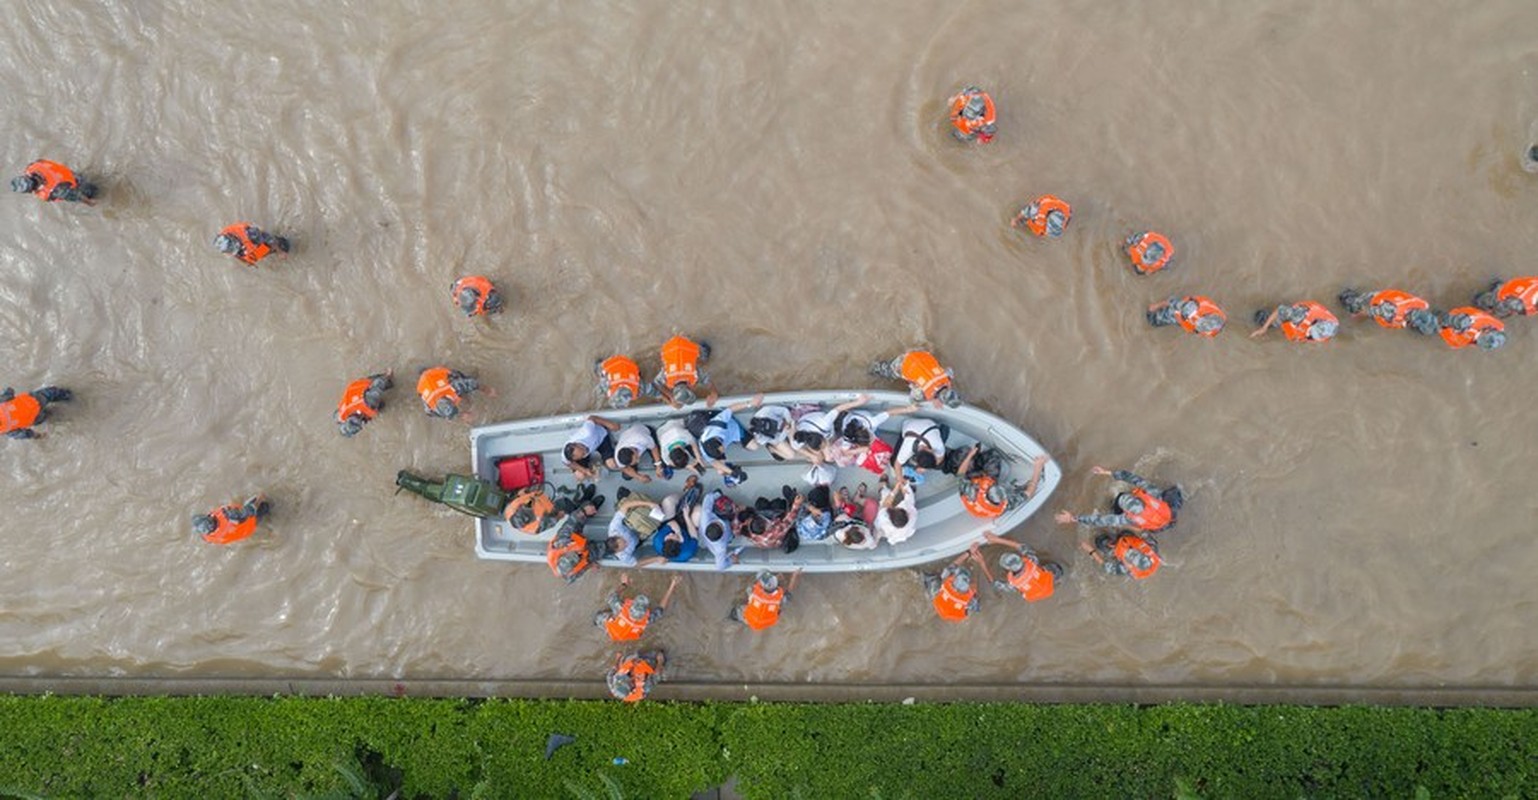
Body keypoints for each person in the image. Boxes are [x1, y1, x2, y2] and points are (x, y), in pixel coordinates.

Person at [1055, 466, 1183, 534]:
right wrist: (1106, 472)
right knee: (1173, 502)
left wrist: (1073, 518)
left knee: (1173, 498)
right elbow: (1132, 477)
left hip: (1160, 521)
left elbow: (1100, 520)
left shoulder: (1127, 518)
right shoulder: (1153, 494)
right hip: (1164, 515)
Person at [688, 394, 764, 485]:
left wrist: (750, 403)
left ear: (719, 441)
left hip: (733, 430)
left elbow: (731, 409)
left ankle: (747, 435)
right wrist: (732, 472)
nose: (724, 451)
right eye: (721, 451)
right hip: (725, 439)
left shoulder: (717, 425)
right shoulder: (704, 449)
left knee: (754, 446)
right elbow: (714, 462)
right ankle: (734, 470)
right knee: (720, 471)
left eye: (722, 450)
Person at [975, 532, 1061, 603]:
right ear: (1020, 559)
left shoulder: (1014, 585)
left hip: (1034, 593)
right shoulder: (1032, 561)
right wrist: (996, 539)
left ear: (1008, 570)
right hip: (1051, 577)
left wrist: (982, 562)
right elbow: (1022, 547)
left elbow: (995, 584)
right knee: (1047, 569)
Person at [594, 573, 682, 642]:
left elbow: (612, 596)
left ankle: (600, 623)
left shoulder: (619, 609)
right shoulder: (647, 620)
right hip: (625, 635)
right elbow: (661, 608)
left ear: (631, 606)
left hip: (614, 630)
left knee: (599, 617)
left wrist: (624, 584)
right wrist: (672, 586)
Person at [959, 452, 1049, 520]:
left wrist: (971, 454)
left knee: (992, 455)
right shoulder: (1001, 506)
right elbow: (1028, 494)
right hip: (979, 502)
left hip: (976, 498)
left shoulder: (968, 491)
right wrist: (1038, 468)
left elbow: (960, 474)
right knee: (991, 458)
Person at [870, 350, 961, 408]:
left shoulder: (947, 375)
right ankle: (874, 368)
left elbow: (948, 370)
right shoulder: (922, 392)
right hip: (905, 363)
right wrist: (930, 399)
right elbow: (913, 399)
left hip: (921, 354)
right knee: (887, 371)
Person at [504, 484, 603, 535]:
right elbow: (554, 519)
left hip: (542, 500)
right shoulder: (536, 527)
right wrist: (558, 516)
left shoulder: (511, 508)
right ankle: (587, 511)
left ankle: (584, 501)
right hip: (549, 512)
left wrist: (523, 492)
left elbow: (518, 496)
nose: (530, 506)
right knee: (566, 506)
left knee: (565, 501)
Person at [546, 500, 606, 583]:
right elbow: (583, 568)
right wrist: (590, 565)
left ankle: (589, 506)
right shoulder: (571, 575)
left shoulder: (562, 540)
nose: (577, 554)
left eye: (574, 554)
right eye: (577, 557)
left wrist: (584, 511)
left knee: (579, 517)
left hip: (573, 538)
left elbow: (572, 522)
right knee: (604, 549)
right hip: (585, 551)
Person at [653, 335, 718, 408]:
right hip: (670, 347)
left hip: (682, 346)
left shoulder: (693, 373)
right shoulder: (667, 376)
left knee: (704, 355)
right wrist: (671, 397)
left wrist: (714, 393)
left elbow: (707, 381)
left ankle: (703, 348)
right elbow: (656, 383)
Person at [1337, 288, 1438, 334]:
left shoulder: (1420, 304)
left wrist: (1356, 317)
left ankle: (1352, 302)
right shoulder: (1391, 310)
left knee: (1361, 308)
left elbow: (1371, 312)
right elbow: (1372, 311)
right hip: (1382, 300)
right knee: (1359, 305)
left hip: (1384, 303)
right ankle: (1352, 302)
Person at [731, 570, 802, 631]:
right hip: (765, 621)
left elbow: (750, 590)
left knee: (737, 610)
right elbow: (788, 594)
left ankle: (735, 616)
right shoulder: (778, 599)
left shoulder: (755, 593)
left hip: (753, 619)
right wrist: (795, 575)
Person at [688, 489, 740, 571]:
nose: (720, 523)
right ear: (722, 533)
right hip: (729, 534)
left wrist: (717, 494)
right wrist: (731, 561)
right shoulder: (721, 548)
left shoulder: (706, 515)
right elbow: (720, 567)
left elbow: (708, 497)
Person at [193, 494, 271, 545]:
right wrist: (260, 497)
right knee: (266, 504)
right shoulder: (229, 516)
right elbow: (250, 510)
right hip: (251, 519)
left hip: (242, 532)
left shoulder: (208, 537)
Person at [0, 385, 72, 440]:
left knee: (50, 413)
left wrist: (37, 436)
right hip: (35, 401)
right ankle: (69, 396)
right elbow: (9, 392)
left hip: (36, 418)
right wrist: (7, 390)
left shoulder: (6, 430)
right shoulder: (1, 403)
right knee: (51, 393)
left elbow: (24, 434)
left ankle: (59, 413)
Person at [1082, 531, 1161, 580]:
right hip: (1133, 543)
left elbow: (1104, 565)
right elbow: (1142, 531)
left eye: (1131, 558)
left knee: (1105, 546)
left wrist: (1090, 550)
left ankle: (1113, 548)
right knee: (1126, 534)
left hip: (1126, 560)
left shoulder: (1126, 569)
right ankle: (1121, 539)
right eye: (1135, 554)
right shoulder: (1151, 547)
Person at [923, 554, 979, 623]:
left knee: (931, 577)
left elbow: (953, 565)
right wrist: (975, 561)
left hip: (940, 604)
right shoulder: (970, 594)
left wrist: (968, 554)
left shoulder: (947, 581)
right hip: (953, 611)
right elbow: (975, 583)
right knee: (974, 604)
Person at [335, 371, 393, 437]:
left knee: (388, 384)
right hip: (355, 388)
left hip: (366, 386)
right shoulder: (341, 415)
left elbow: (379, 384)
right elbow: (337, 417)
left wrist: (388, 376)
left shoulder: (369, 402)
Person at [11, 159, 97, 204]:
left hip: (79, 186)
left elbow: (78, 196)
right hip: (71, 174)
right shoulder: (33, 166)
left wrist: (90, 203)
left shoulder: (54, 191)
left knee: (97, 193)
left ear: (30, 191)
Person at [563, 415, 619, 483]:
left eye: (583, 452)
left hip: (600, 439)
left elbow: (592, 418)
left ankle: (604, 463)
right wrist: (584, 470)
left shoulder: (587, 432)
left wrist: (610, 424)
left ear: (576, 443)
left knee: (612, 464)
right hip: (588, 451)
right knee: (580, 476)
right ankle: (593, 465)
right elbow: (568, 463)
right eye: (582, 456)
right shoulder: (565, 454)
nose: (585, 453)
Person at [1251, 301, 1339, 343]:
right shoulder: (1301, 315)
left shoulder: (1331, 329)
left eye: (1312, 335)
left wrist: (1303, 339)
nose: (1310, 335)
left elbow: (1313, 339)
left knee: (1289, 334)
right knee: (1265, 320)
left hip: (1306, 322)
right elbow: (1280, 309)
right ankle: (1264, 317)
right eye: (1311, 333)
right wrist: (1264, 328)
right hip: (1299, 313)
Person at [894, 416, 949, 481]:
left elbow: (897, 465)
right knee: (939, 465)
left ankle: (945, 427)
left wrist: (923, 467)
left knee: (939, 464)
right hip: (916, 427)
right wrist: (900, 480)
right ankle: (945, 427)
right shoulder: (908, 446)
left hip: (916, 425)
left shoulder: (937, 444)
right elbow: (897, 464)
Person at [1147, 296, 1227, 338]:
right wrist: (1156, 306)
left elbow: (1200, 331)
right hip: (1183, 309)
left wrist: (1193, 330)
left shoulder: (1216, 326)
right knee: (1153, 321)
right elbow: (1173, 303)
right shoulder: (1192, 308)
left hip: (1185, 318)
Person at [213, 222, 290, 266]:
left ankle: (280, 247)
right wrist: (247, 261)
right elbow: (236, 254)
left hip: (257, 237)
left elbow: (270, 240)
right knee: (255, 255)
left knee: (275, 243)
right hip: (251, 246)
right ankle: (267, 251)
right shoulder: (225, 243)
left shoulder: (250, 234)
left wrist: (280, 252)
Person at [874, 472, 918, 545]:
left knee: (885, 494)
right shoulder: (912, 514)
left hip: (890, 532)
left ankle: (883, 487)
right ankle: (910, 487)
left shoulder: (884, 518)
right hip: (901, 533)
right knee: (909, 493)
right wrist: (903, 486)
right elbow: (908, 498)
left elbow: (886, 504)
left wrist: (896, 489)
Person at [1438, 307, 1507, 350]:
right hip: (1460, 317)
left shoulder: (1499, 327)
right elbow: (1473, 314)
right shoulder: (1477, 321)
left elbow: (1456, 342)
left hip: (1454, 334)